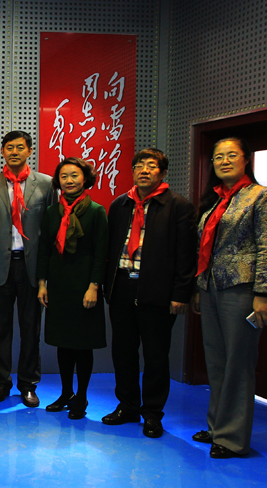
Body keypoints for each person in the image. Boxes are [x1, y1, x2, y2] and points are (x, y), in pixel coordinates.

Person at [191, 138, 267, 459]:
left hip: (242, 289)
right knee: (216, 360)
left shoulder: (262, 196)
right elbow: (205, 247)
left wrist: (263, 293)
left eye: (231, 155)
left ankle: (232, 439)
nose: (224, 161)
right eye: (218, 157)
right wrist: (199, 288)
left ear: (245, 160)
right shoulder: (215, 199)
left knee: (238, 363)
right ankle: (217, 426)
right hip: (211, 287)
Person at [101, 149, 197, 438]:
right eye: (139, 166)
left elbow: (186, 255)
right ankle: (127, 406)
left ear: (163, 173)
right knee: (123, 351)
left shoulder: (178, 206)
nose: (144, 170)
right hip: (121, 286)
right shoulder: (120, 204)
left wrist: (180, 293)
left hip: (157, 290)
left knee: (156, 355)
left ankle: (153, 413)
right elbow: (110, 248)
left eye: (151, 166)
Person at [0, 131, 53, 407]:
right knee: (0, 329)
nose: (14, 152)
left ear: (29, 151)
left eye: (20, 148)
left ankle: (28, 384)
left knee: (31, 329)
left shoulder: (46, 184)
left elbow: (51, 229)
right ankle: (1, 382)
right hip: (1, 268)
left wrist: (47, 275)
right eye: (9, 148)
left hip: (32, 268)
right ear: (2, 151)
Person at [36, 157, 108, 420]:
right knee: (63, 343)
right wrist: (42, 283)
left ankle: (82, 396)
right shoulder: (52, 212)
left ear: (85, 178)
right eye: (64, 176)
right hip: (59, 284)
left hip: (84, 285)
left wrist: (94, 287)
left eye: (74, 175)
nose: (69, 180)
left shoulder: (97, 211)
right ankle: (66, 393)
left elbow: (102, 254)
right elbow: (44, 250)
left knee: (82, 344)